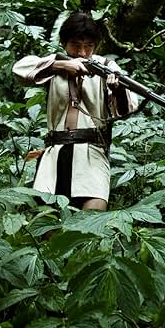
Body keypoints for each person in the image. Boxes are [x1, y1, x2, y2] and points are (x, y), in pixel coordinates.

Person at [13, 12, 141, 211]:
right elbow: (19, 70)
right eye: (75, 45)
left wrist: (117, 89)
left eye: (88, 46)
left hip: (91, 152)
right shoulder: (54, 65)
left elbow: (127, 108)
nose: (82, 52)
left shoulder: (107, 67)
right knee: (47, 220)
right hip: (55, 152)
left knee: (94, 212)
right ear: (64, 43)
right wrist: (61, 65)